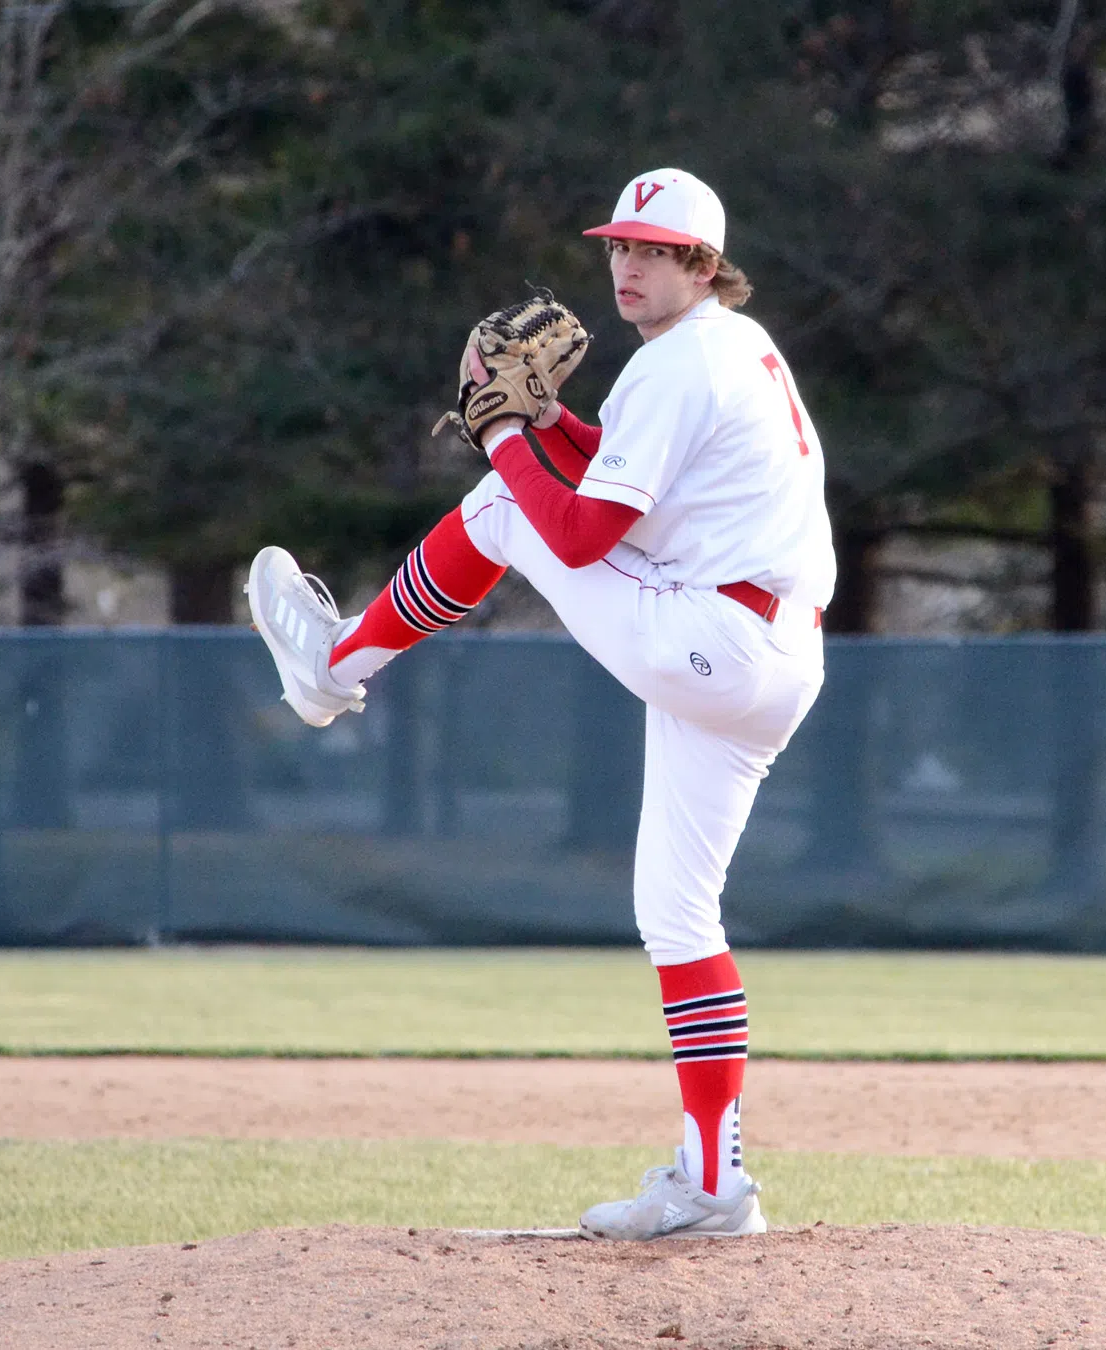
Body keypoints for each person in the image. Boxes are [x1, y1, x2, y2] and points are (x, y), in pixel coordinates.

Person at [245, 167, 833, 1240]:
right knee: (677, 915)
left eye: (653, 252)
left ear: (703, 264)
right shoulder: (735, 349)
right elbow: (620, 483)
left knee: (502, 509)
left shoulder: (676, 365)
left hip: (713, 637)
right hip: (768, 659)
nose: (626, 266)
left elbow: (572, 535)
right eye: (617, 247)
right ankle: (714, 1185)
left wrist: (503, 435)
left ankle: (334, 670)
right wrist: (548, 420)